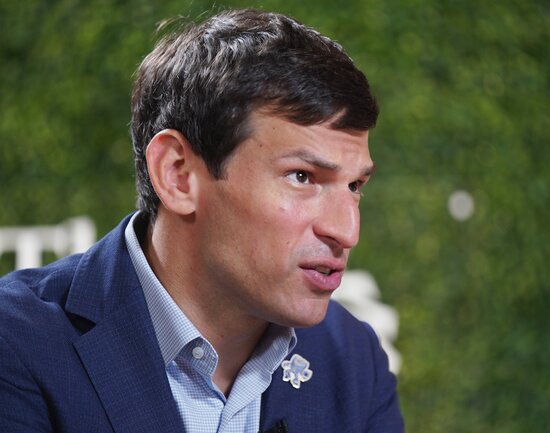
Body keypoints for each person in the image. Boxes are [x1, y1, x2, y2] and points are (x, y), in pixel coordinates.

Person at [0, 9, 403, 433]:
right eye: (302, 177)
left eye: (355, 186)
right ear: (177, 175)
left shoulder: (353, 359)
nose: (346, 231)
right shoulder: (17, 343)